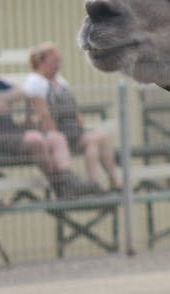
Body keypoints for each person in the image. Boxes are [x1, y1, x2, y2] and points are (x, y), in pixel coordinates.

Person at [0, 41, 96, 199]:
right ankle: (63, 186)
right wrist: (4, 101)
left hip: (11, 132)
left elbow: (20, 94)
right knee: (35, 139)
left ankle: (67, 184)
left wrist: (8, 103)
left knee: (55, 137)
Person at [23, 42, 120, 190]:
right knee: (94, 140)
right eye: (54, 61)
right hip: (57, 134)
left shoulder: (61, 81)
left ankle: (107, 182)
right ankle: (93, 184)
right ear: (40, 62)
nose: (58, 65)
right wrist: (60, 138)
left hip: (72, 131)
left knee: (98, 138)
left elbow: (74, 109)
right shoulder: (35, 83)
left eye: (59, 61)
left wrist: (81, 128)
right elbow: (44, 116)